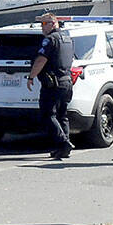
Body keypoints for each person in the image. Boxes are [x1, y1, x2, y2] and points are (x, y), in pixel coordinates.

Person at [27, 12, 75, 160]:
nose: (41, 27)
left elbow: (41, 60)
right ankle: (62, 149)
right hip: (66, 82)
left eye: (44, 24)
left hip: (53, 83)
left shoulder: (50, 40)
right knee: (62, 115)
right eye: (40, 24)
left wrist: (31, 76)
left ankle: (64, 142)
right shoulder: (67, 38)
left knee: (48, 114)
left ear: (53, 23)